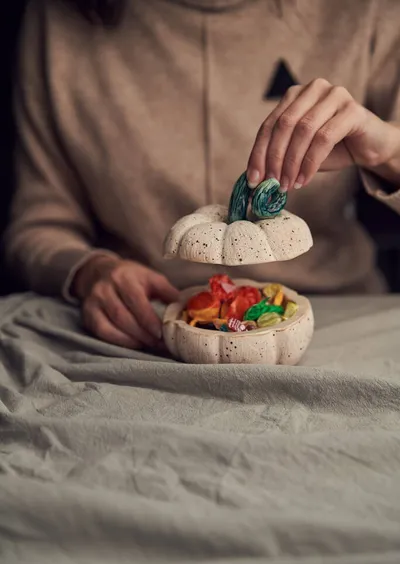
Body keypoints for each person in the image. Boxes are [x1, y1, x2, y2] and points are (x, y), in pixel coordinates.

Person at [5, 0, 400, 350]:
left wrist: (389, 151)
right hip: (148, 325)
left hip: (340, 317)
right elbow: (38, 225)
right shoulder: (59, 18)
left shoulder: (367, 9)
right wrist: (92, 272)